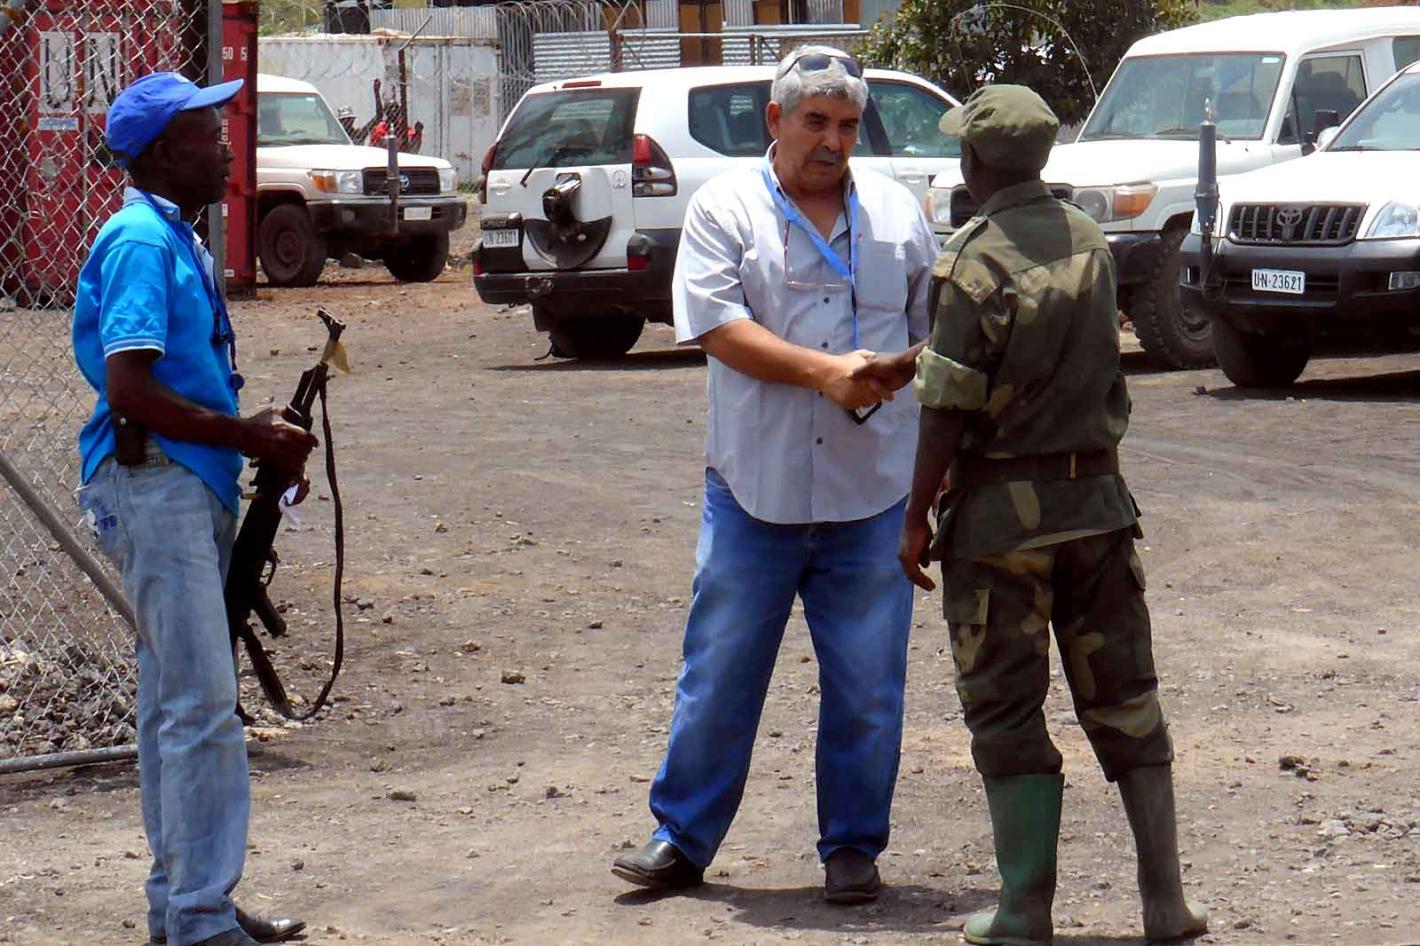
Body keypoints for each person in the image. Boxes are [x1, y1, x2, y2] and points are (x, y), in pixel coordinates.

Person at [856, 84, 1209, 945]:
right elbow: (1036, 339)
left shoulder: (970, 259)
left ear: (973, 163)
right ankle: (1165, 904)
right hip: (1098, 508)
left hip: (1001, 528)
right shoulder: (1090, 240)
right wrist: (923, 358)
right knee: (1127, 698)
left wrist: (914, 516)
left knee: (1007, 708)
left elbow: (951, 403)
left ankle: (1024, 910)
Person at [611, 46, 937, 903]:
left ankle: (853, 848)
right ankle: (682, 838)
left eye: (848, 125)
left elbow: (932, 338)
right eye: (815, 121)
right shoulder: (725, 208)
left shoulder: (900, 214)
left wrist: (928, 451)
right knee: (719, 672)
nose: (833, 141)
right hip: (754, 489)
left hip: (873, 491)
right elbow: (716, 326)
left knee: (868, 686)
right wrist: (828, 374)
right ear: (775, 120)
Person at [72, 73, 315, 946]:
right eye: (209, 135)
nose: (225, 148)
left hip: (180, 480)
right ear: (163, 153)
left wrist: (253, 437)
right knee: (204, 708)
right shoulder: (142, 239)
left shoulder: (172, 235)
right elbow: (131, 388)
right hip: (156, 485)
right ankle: (200, 917)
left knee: (175, 704)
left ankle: (183, 903)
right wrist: (247, 436)